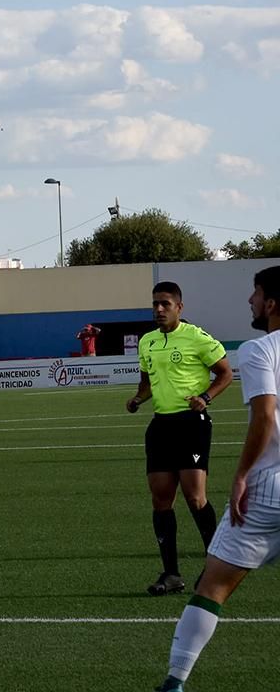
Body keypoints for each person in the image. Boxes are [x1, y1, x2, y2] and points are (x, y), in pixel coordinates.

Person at [155, 266, 280, 692]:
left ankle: (175, 680)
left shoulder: (259, 349)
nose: (250, 301)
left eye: (256, 293)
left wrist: (242, 474)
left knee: (213, 585)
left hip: (268, 489)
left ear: (272, 302)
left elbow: (264, 417)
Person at [127, 282, 234, 596]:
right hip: (161, 426)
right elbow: (146, 384)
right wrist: (137, 399)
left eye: (165, 304)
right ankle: (171, 574)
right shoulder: (147, 342)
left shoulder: (197, 338)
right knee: (161, 499)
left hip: (192, 424)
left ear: (179, 307)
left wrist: (205, 397)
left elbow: (225, 373)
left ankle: (218, 568)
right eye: (155, 304)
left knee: (194, 496)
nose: (159, 310)